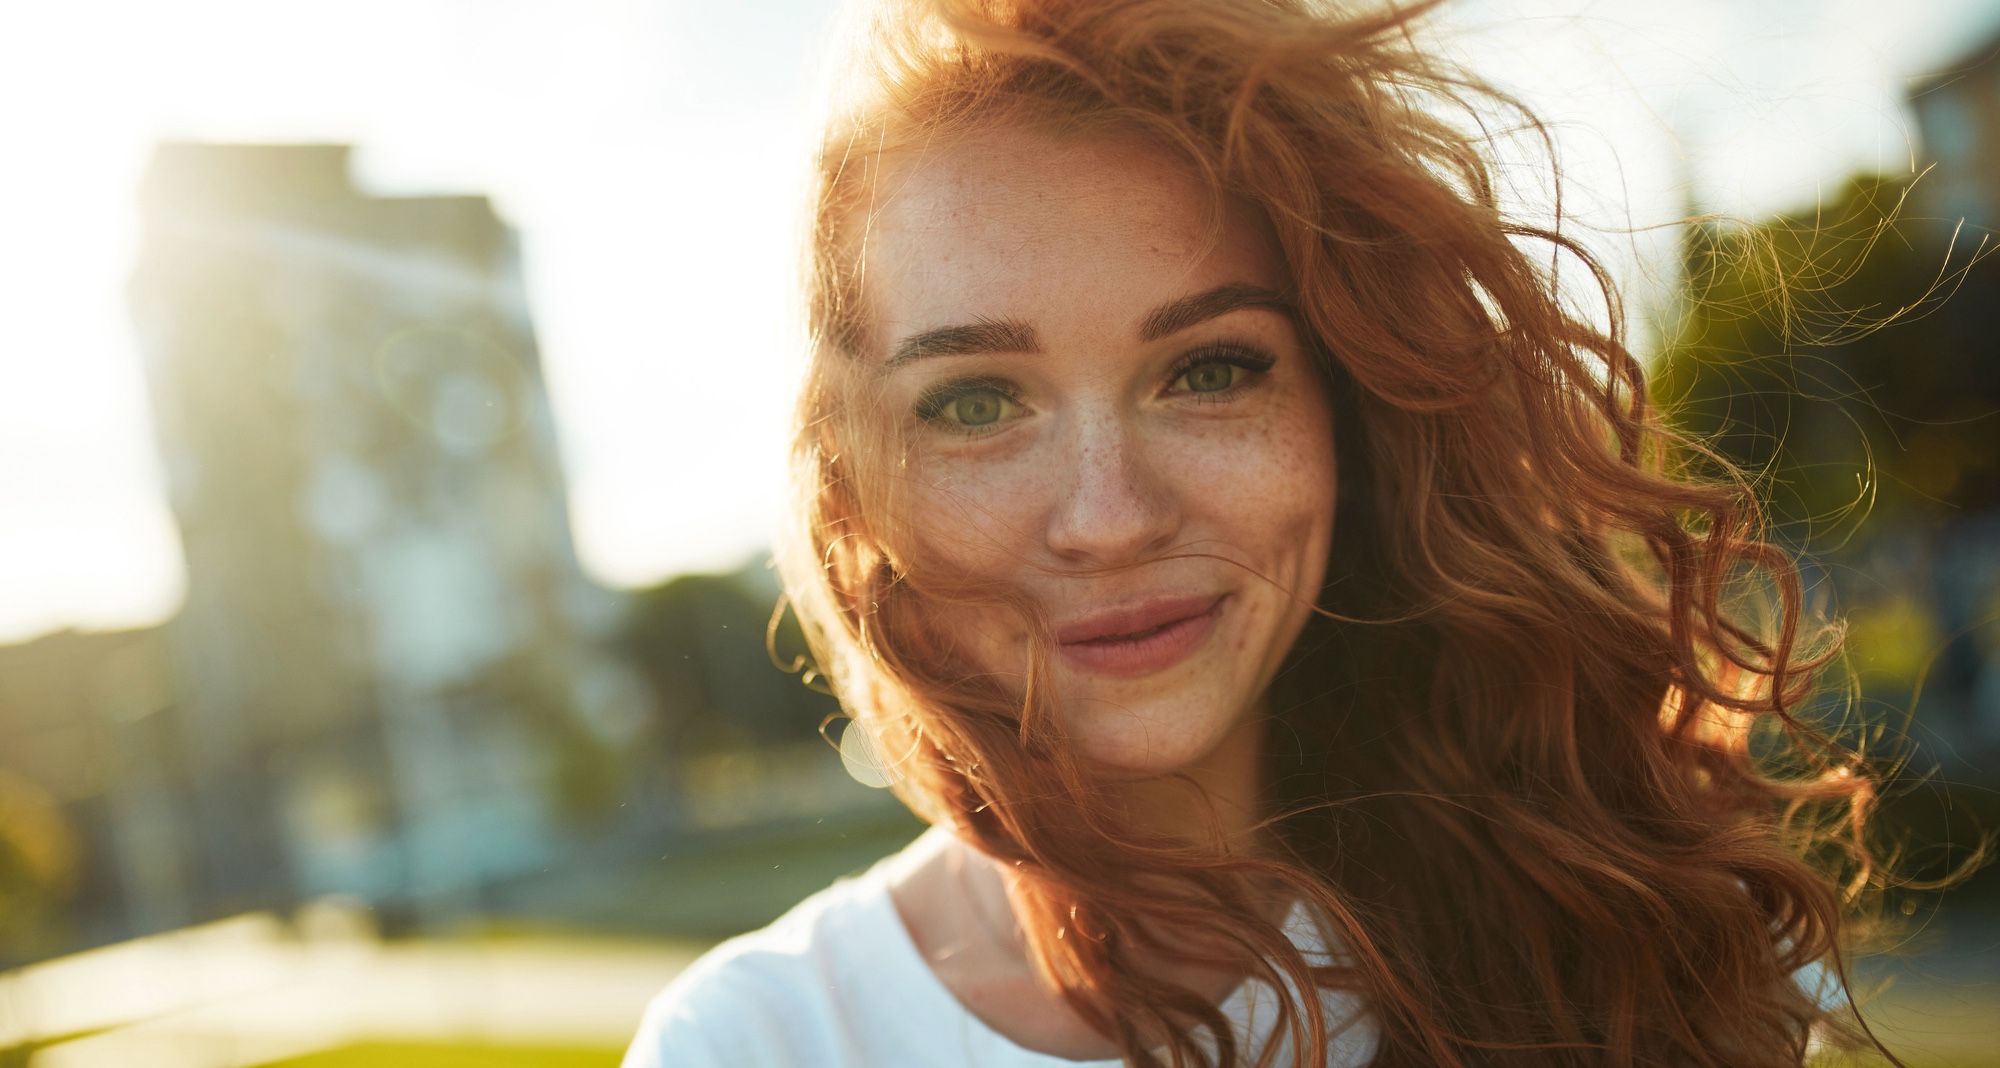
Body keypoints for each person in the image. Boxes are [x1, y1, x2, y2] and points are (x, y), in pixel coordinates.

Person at [624, 1, 1884, 1065]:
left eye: (1209, 370)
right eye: (972, 402)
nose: (1109, 519)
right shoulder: (764, 1040)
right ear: (850, 484)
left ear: (1351, 404)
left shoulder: (1645, 931)